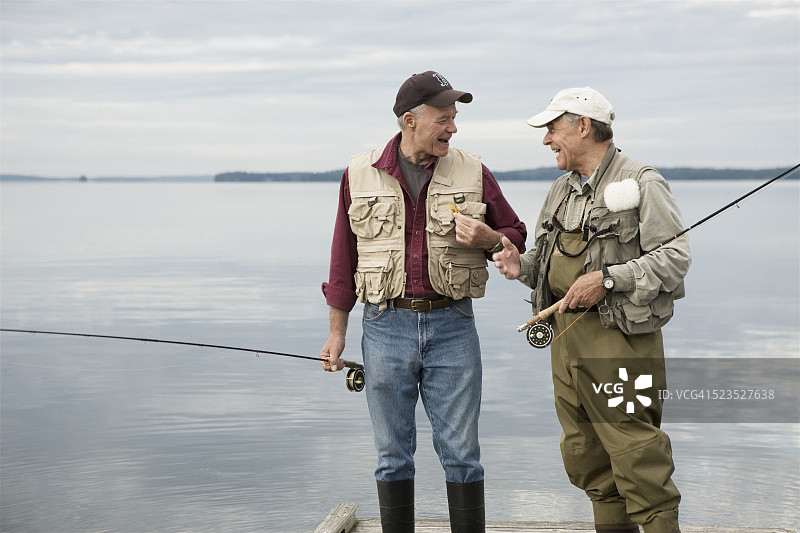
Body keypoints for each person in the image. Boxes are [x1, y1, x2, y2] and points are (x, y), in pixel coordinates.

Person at [320, 71, 527, 533]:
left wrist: (491, 238)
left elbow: (515, 233)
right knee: (392, 457)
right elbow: (342, 261)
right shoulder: (358, 174)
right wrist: (336, 334)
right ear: (409, 121)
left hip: (453, 325)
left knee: (463, 455)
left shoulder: (474, 171)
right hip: (383, 327)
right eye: (443, 119)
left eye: (454, 118)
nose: (453, 128)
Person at [492, 87, 690, 533]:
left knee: (638, 455)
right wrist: (519, 265)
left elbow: (675, 259)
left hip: (621, 344)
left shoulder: (643, 181)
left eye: (552, 129)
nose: (546, 139)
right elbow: (543, 263)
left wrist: (608, 280)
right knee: (586, 455)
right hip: (565, 344)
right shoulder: (560, 190)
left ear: (583, 126)